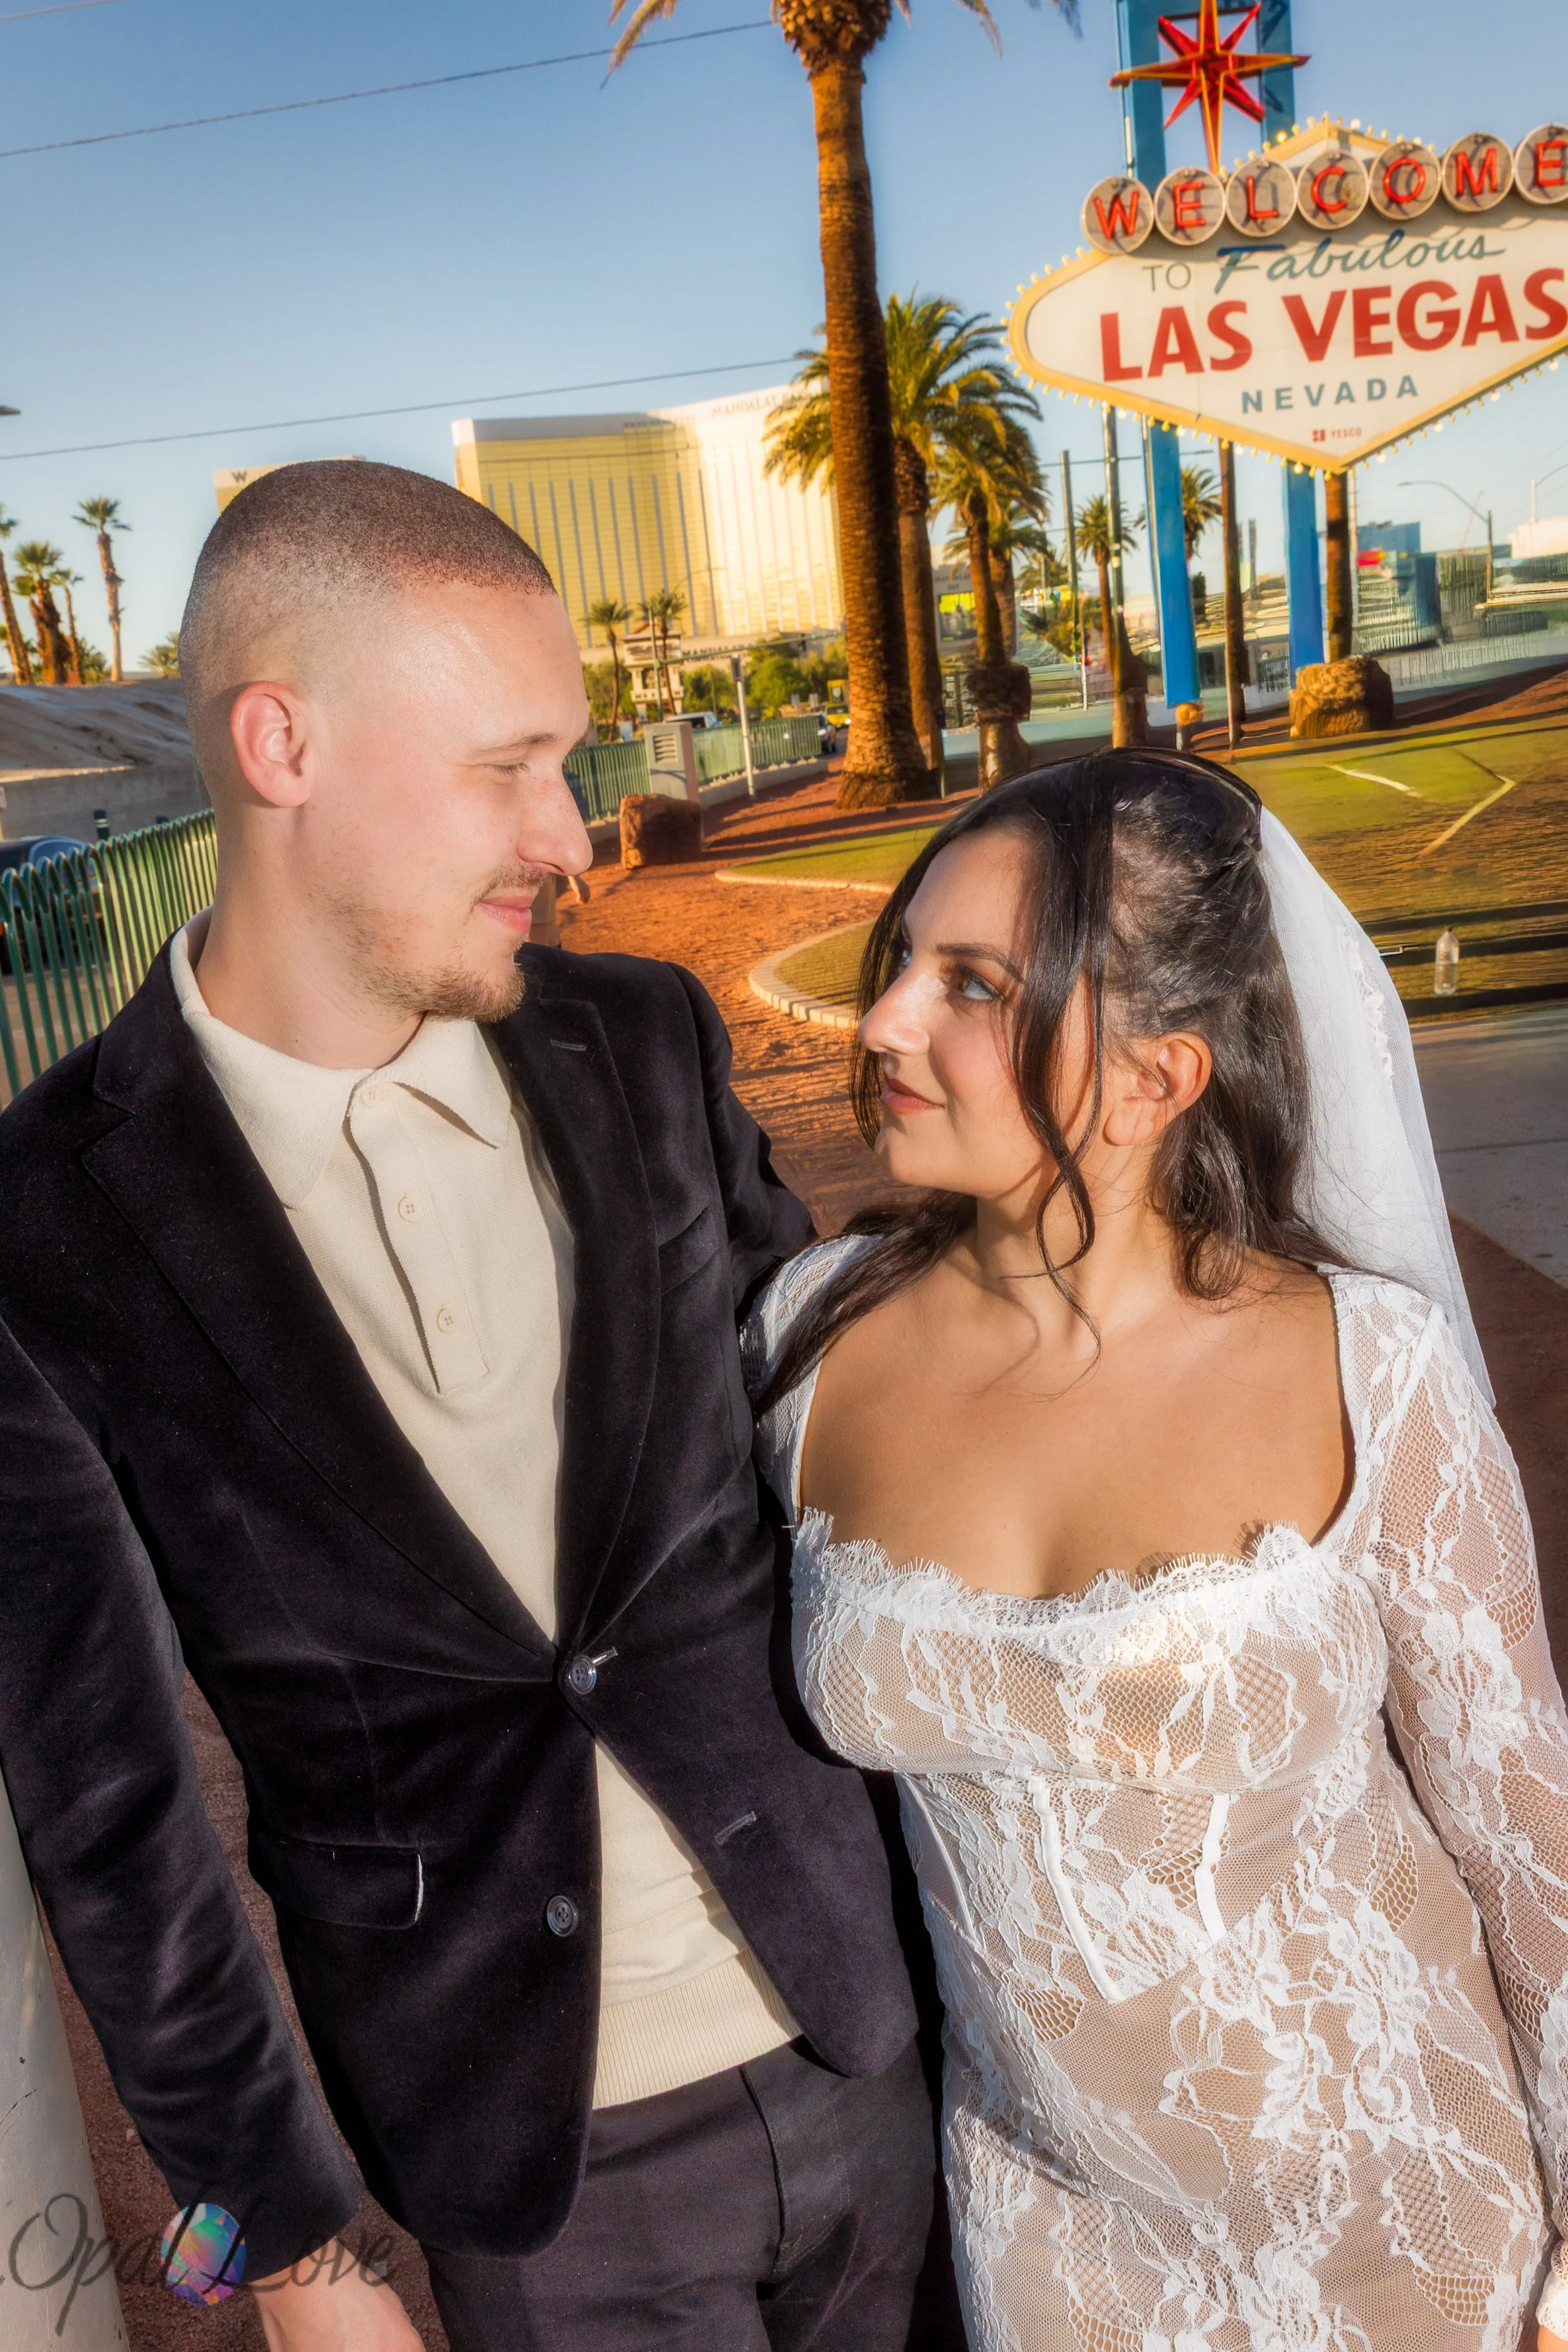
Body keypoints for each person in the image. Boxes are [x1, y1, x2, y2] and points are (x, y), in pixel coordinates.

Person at [0, 459, 933, 2351]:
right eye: (508, 763)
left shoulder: (641, 1042)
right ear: (284, 743)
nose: (570, 831)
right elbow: (115, 1807)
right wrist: (286, 2248)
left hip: (874, 2026)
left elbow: (839, 1423)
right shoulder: (39, 1222)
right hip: (528, 2163)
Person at [747, 751, 1568, 2352]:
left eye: (972, 985)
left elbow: (1527, 1838)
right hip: (1053, 2246)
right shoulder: (803, 1342)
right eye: (902, 959)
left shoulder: (1361, 1365)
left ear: (1153, 1081)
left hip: (1406, 2220)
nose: (884, 1023)